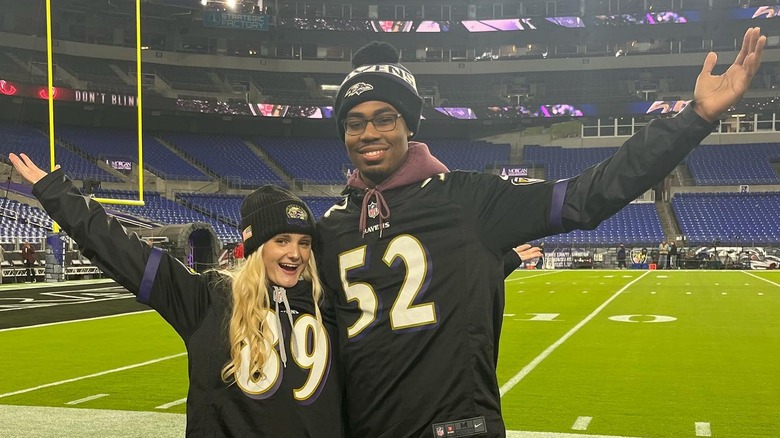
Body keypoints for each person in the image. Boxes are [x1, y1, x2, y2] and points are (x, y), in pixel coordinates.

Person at [317, 29, 765, 438]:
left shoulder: (468, 200)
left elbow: (587, 196)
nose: (369, 132)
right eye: (354, 123)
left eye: (384, 118)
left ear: (409, 124)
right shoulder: (334, 226)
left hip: (454, 428)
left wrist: (695, 118)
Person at [8, 153, 344, 437]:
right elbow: (122, 251)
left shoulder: (328, 304)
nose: (295, 254)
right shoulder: (207, 299)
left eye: (304, 243)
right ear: (255, 247)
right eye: (282, 241)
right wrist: (57, 194)